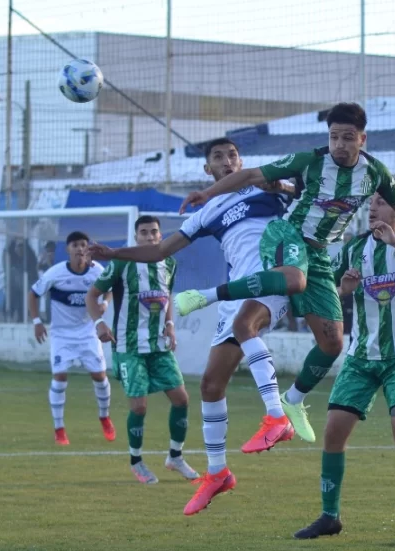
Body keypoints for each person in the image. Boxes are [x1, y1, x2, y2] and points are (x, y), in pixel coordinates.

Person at [172, 103, 395, 444]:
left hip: (320, 254)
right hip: (287, 235)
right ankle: (205, 296)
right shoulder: (311, 160)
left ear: (362, 139)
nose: (339, 144)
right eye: (333, 137)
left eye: (347, 138)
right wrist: (208, 192)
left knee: (332, 342)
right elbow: (253, 175)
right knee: (289, 286)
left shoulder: (375, 173)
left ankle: (292, 400)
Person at [90, 138, 295, 511]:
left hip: (272, 278)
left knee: (247, 325)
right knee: (210, 385)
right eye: (218, 157)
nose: (227, 160)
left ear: (241, 160)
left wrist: (281, 186)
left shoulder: (265, 184)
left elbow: (308, 198)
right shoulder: (206, 211)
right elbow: (160, 251)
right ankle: (218, 474)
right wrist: (114, 253)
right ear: (207, 170)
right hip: (233, 290)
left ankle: (278, 415)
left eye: (233, 154)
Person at [293, 193, 395, 545]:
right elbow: (327, 288)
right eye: (371, 203)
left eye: (381, 202)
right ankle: (329, 517)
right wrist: (342, 290)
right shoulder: (354, 248)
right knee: (333, 432)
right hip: (360, 357)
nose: (373, 207)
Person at [86, 215, 199, 486]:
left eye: (154, 232)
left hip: (159, 346)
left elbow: (166, 297)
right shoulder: (122, 262)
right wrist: (99, 323)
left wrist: (170, 324)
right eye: (144, 232)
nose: (150, 237)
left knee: (182, 399)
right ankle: (136, 461)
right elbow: (92, 295)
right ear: (136, 237)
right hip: (129, 346)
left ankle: (175, 456)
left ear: (161, 236)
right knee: (139, 405)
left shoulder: (169, 263)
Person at [29, 231, 116, 446]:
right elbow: (33, 294)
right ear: (68, 249)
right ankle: (59, 428)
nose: (79, 248)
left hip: (88, 333)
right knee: (59, 378)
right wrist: (37, 322)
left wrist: (105, 303)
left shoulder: (97, 271)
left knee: (100, 376)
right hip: (62, 335)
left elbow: (110, 290)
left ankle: (104, 417)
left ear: (88, 249)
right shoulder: (55, 273)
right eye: (75, 245)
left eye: (83, 245)